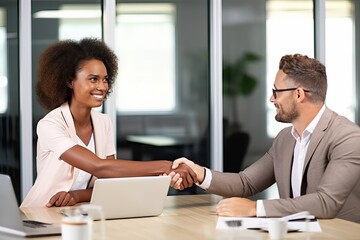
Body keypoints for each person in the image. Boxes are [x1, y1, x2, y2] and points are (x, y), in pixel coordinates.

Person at [172, 54, 360, 223]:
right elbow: (245, 183)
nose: (271, 98)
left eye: (276, 91)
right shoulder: (285, 139)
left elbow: (327, 202)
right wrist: (199, 173)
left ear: (299, 94)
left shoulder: (348, 137)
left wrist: (255, 209)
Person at [21, 38, 196, 208]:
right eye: (93, 79)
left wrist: (75, 196)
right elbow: (100, 167)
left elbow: (109, 182)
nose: (103, 87)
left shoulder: (103, 122)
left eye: (105, 79)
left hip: (79, 210)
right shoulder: (50, 125)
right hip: (41, 212)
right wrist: (166, 166)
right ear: (69, 81)